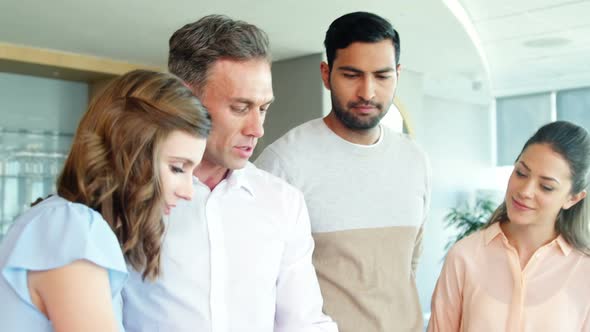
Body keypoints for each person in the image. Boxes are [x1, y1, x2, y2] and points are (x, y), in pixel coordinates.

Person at [122, 15, 336, 332]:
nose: (257, 129)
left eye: (263, 108)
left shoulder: (283, 203)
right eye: (240, 108)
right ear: (183, 98)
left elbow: (303, 322)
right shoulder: (122, 194)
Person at [256, 11, 431, 332]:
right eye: (352, 75)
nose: (367, 92)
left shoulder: (414, 159)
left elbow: (409, 266)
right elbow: (258, 283)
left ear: (398, 74)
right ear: (326, 74)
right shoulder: (283, 162)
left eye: (382, 76)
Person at [0, 69, 211, 332]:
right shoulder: (73, 227)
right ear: (129, 151)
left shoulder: (61, 222)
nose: (188, 192)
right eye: (178, 168)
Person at [428, 121, 590, 331]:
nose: (525, 190)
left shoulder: (584, 270)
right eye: (521, 173)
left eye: (546, 187)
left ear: (573, 198)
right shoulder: (465, 256)